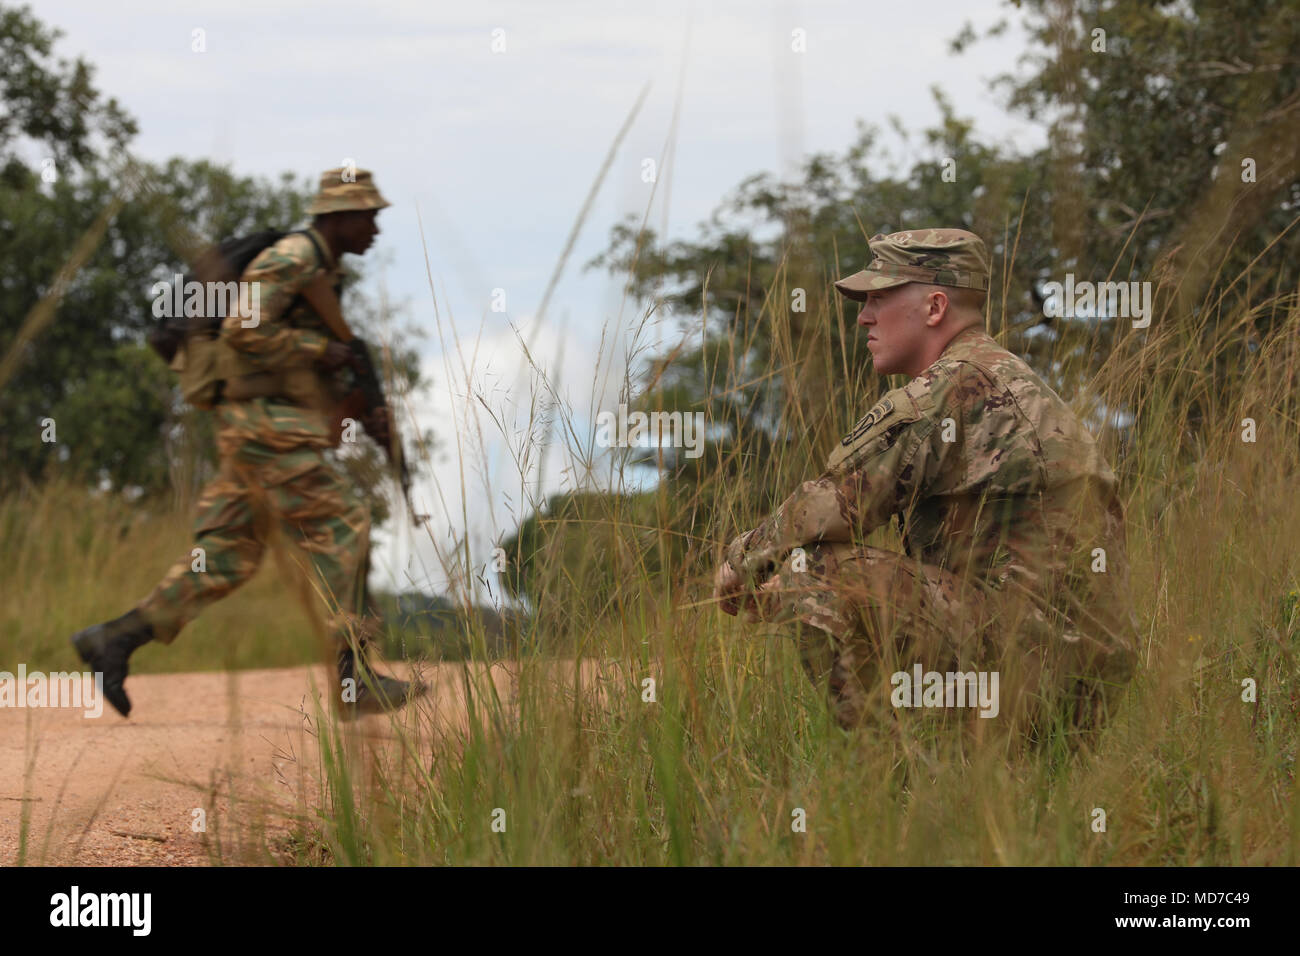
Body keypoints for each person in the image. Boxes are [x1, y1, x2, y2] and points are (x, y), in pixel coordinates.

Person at [712, 228, 1138, 738]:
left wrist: (741, 563)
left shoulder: (951, 386)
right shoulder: (1009, 377)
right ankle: (954, 768)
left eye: (878, 299)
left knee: (816, 568)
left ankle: (893, 779)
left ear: (935, 307)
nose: (863, 317)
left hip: (1038, 671)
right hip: (1085, 679)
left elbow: (833, 505)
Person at [71, 167, 423, 719]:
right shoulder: (295, 257)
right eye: (369, 216)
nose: (376, 228)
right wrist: (314, 349)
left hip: (255, 427)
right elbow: (243, 327)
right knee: (345, 520)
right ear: (339, 216)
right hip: (265, 425)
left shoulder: (320, 270)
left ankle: (114, 641)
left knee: (226, 558)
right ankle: (354, 683)